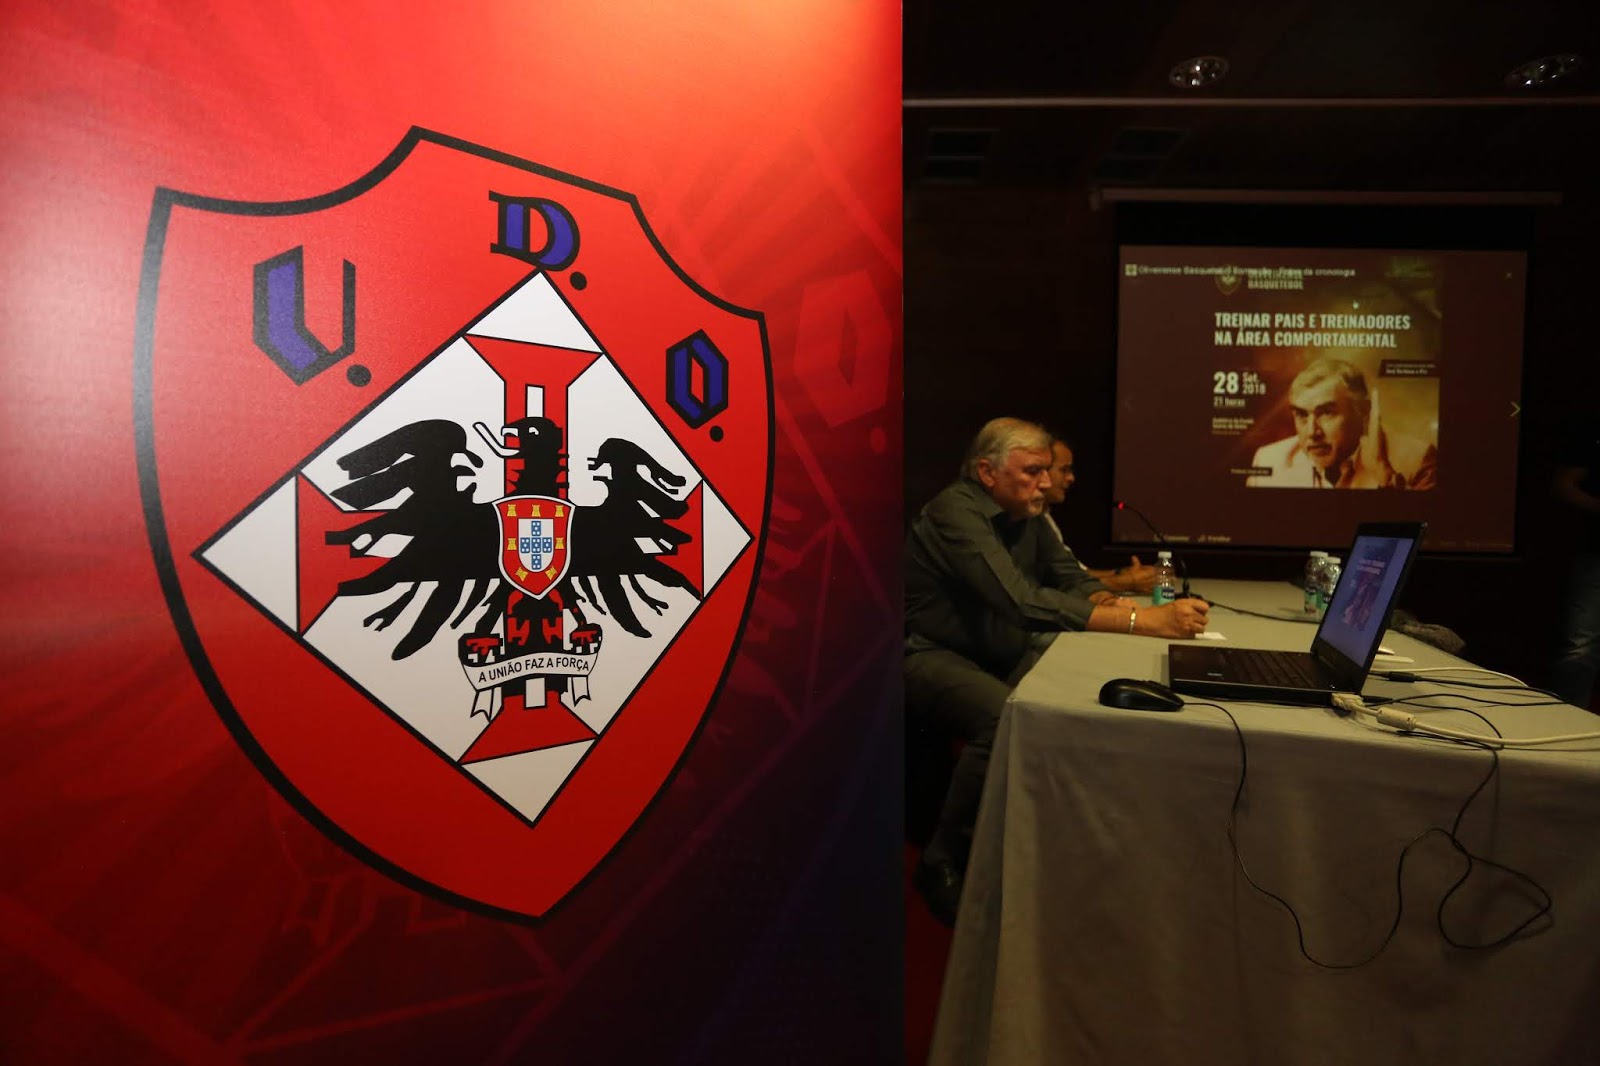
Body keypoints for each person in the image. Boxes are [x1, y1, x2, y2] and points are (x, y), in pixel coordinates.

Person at [904, 417, 1210, 925]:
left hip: (997, 650)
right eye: (1033, 471)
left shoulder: (1024, 511)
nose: (1046, 482)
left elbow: (1069, 578)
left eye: (1047, 471)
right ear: (987, 472)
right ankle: (942, 860)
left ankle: (1052, 841)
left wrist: (1111, 601)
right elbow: (1019, 601)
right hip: (928, 654)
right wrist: (1140, 621)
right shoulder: (954, 513)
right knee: (1001, 716)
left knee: (1082, 685)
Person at [1247, 357, 1436, 489]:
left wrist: (1383, 474)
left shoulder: (1417, 462)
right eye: (1302, 415)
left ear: (1364, 411)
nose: (1312, 432)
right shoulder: (1268, 461)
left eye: (1326, 413)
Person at [1042, 437, 1157, 594]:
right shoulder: (1027, 519)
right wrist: (1126, 582)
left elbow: (1073, 573)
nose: (1071, 478)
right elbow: (1052, 587)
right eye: (1064, 470)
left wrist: (1121, 573)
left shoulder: (1044, 516)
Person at [1550, 413, 1600, 710]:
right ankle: (1568, 720)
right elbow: (1563, 485)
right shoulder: (1592, 429)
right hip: (1596, 553)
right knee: (1581, 649)